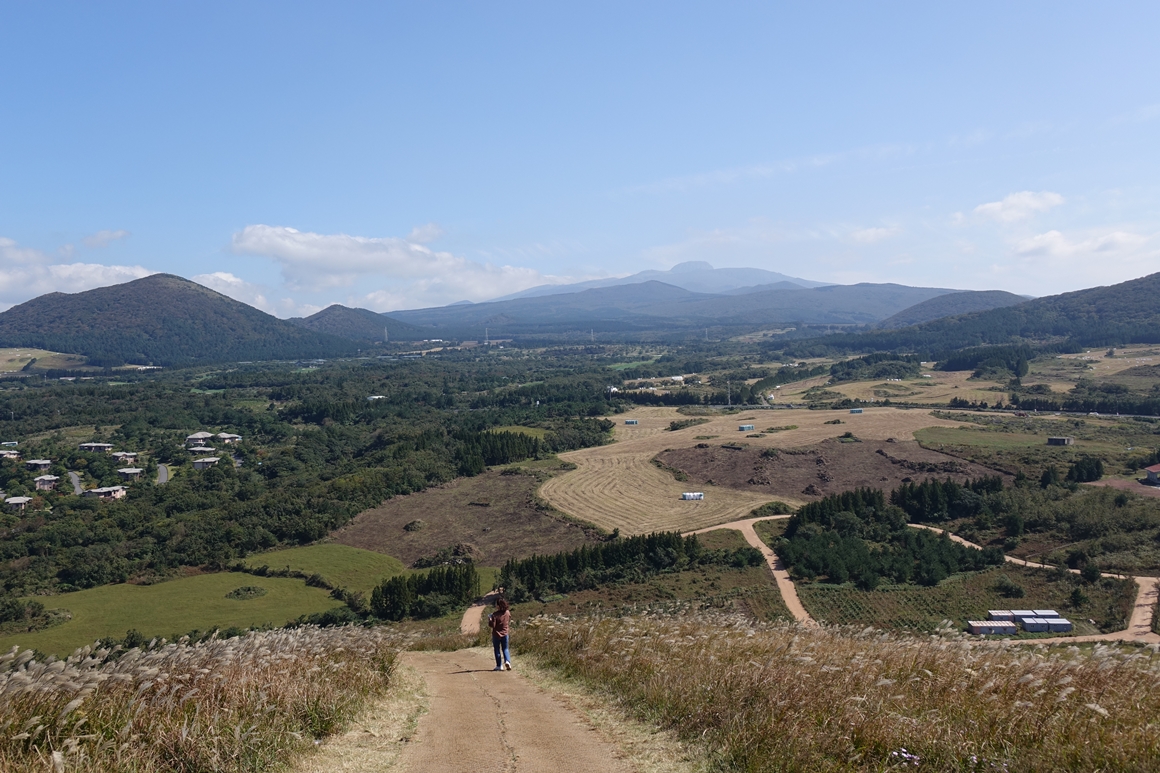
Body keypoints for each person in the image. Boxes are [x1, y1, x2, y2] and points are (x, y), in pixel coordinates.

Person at [488, 597, 512, 671]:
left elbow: (492, 625)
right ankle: (507, 661)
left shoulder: (494, 615)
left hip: (496, 634)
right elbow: (509, 618)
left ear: (498, 606)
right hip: (505, 633)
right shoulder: (507, 612)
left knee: (497, 649)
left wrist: (490, 619)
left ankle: (499, 665)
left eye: (496, 604)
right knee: (505, 648)